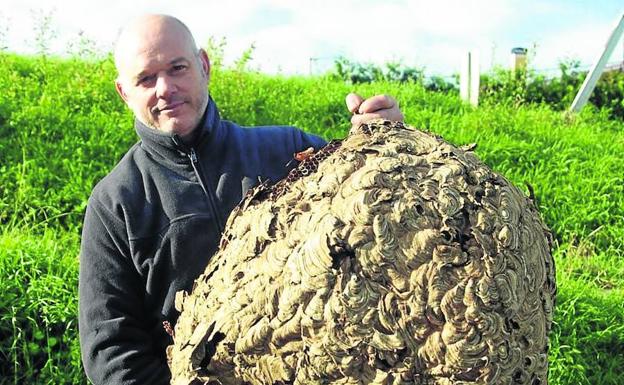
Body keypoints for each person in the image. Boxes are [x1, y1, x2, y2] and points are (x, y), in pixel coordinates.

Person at [78, 13, 404, 385]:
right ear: (125, 92)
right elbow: (111, 351)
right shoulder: (114, 203)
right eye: (146, 78)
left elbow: (372, 204)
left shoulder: (290, 149)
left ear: (203, 66)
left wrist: (383, 141)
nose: (165, 88)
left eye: (177, 67)